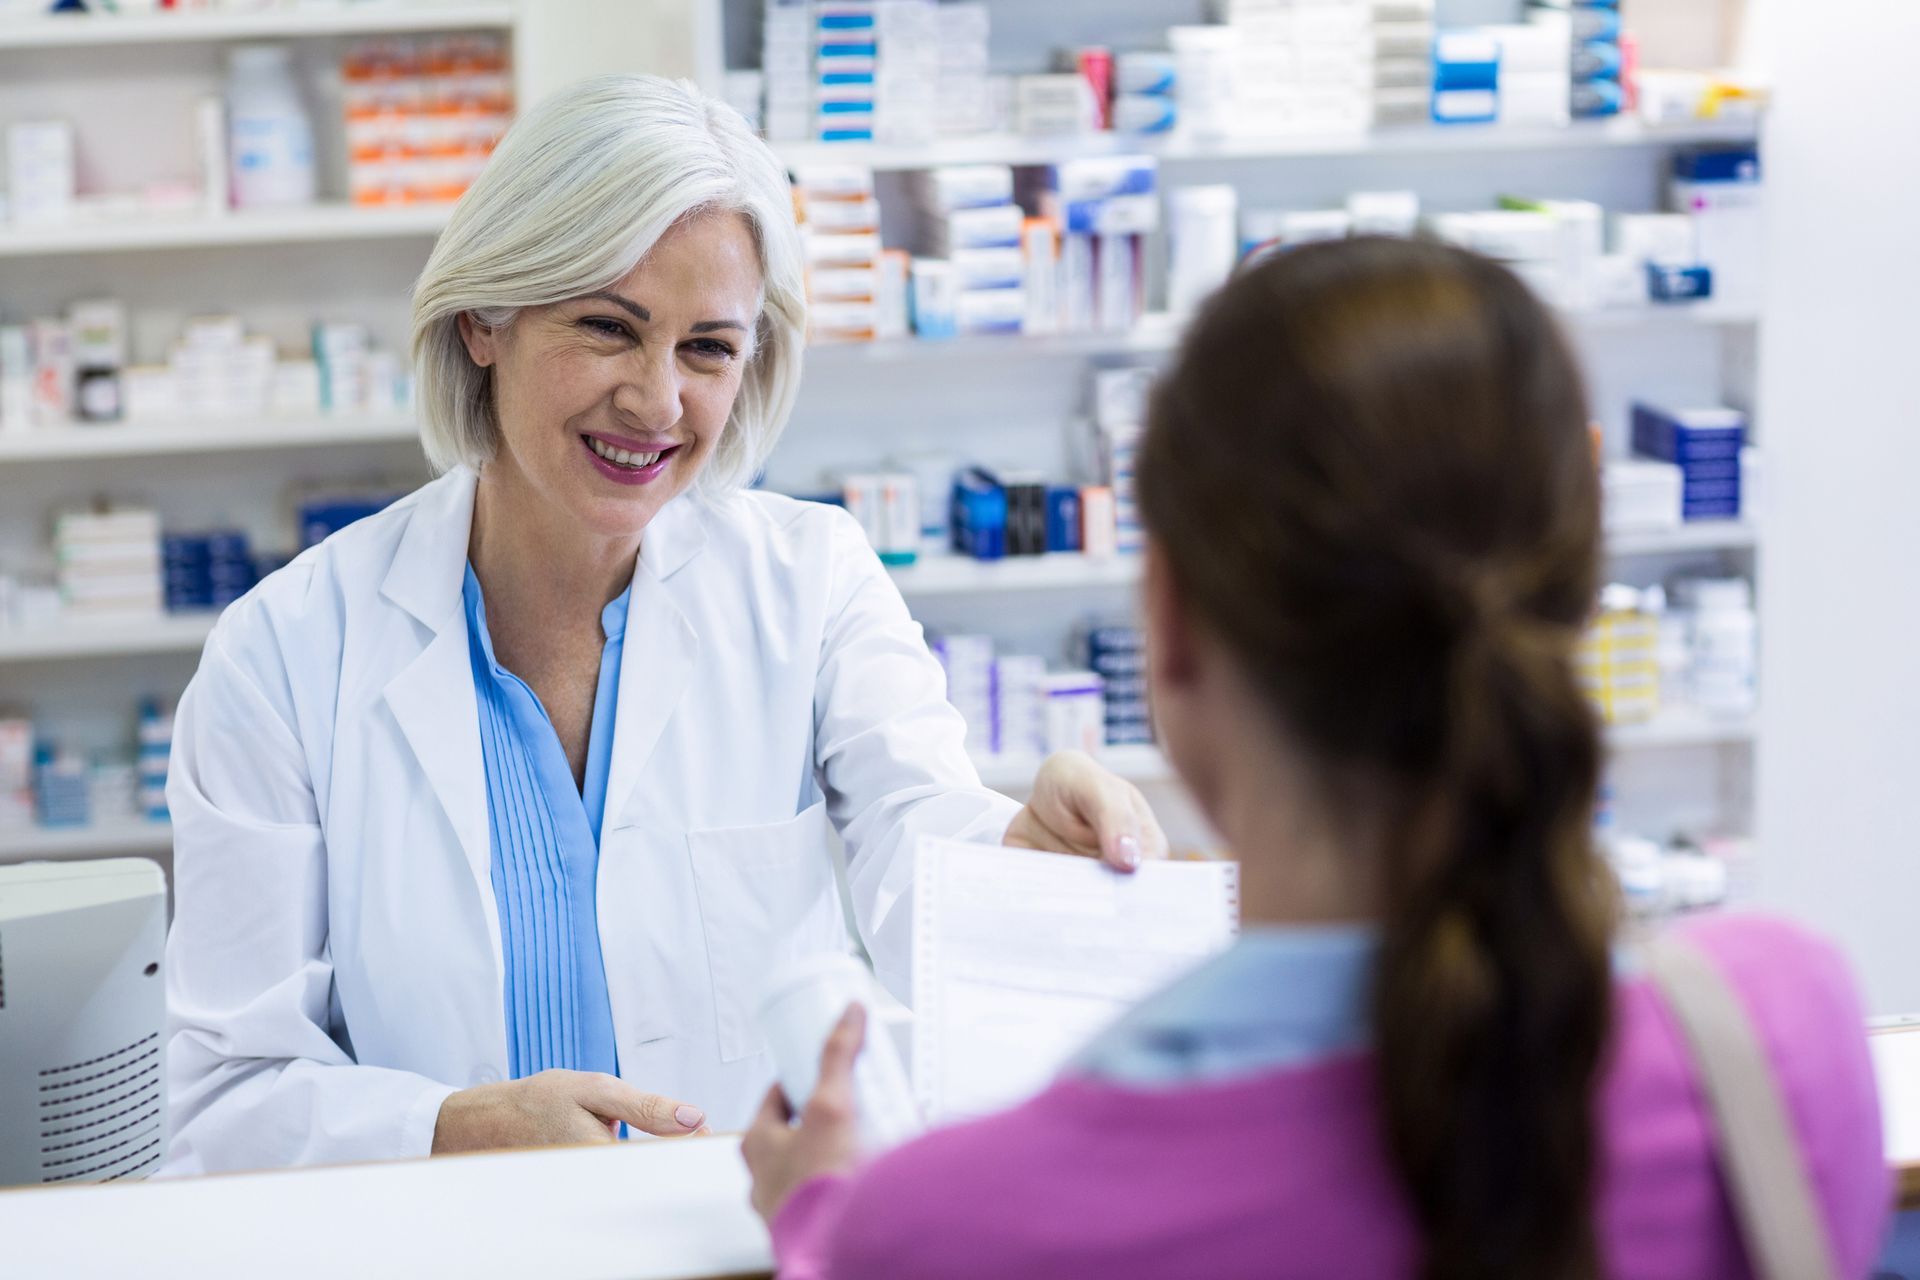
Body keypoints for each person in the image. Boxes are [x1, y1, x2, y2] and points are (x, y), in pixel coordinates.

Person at [743, 237, 1890, 1278]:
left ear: (1174, 628)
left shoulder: (945, 1224)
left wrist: (822, 1218)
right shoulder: (1783, 1029)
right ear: (1573, 592)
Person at [160, 75, 1166, 1175]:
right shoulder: (283, 655)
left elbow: (919, 832)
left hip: (734, 1229)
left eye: (707, 349)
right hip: (442, 1241)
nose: (656, 401)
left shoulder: (811, 580)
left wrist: (1026, 858)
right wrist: (449, 1127)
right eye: (608, 327)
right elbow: (222, 1100)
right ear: (484, 321)